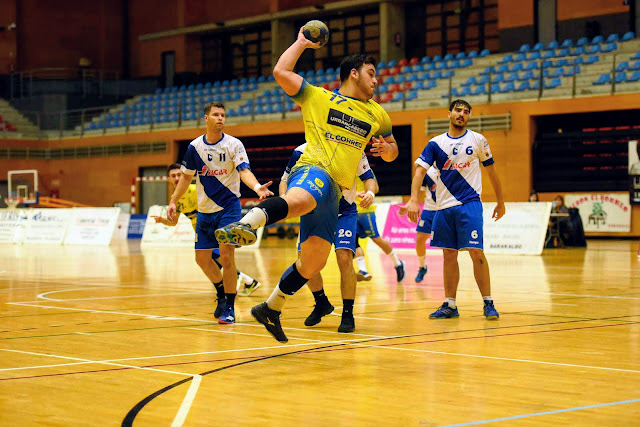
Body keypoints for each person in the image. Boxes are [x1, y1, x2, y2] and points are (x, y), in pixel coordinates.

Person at [216, 28, 399, 343]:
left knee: (314, 260)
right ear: (353, 74)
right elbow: (281, 71)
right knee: (300, 199)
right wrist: (301, 42)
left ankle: (271, 307)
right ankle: (246, 223)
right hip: (313, 168)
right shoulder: (319, 97)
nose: (375, 80)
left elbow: (394, 150)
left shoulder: (377, 113)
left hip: (338, 194)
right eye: (371, 74)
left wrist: (387, 151)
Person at [167, 101, 273, 325]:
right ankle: (221, 294)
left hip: (228, 208)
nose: (220, 118)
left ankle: (230, 307)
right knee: (202, 259)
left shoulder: (234, 145)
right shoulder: (195, 147)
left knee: (226, 257)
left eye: (223, 115)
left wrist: (256, 188)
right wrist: (173, 201)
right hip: (205, 212)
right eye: (216, 115)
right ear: (206, 118)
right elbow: (186, 177)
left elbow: (245, 171)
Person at [406, 99, 505, 320]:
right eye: (458, 110)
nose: (462, 114)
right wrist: (413, 199)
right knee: (448, 255)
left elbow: (492, 173)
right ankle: (450, 304)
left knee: (476, 252)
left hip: (469, 204)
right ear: (449, 113)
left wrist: (501, 201)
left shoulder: (477, 140)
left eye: (466, 112)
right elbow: (419, 173)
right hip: (442, 207)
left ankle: (488, 303)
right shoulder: (435, 143)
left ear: (469, 117)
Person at [280, 144, 377, 332]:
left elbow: (369, 179)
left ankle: (348, 313)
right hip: (314, 212)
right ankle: (321, 302)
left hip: (344, 211)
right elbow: (284, 180)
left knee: (344, 257)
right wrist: (286, 198)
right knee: (305, 261)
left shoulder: (352, 148)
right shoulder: (302, 151)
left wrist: (371, 193)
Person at [152, 163, 260, 297]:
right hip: (203, 234)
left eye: (179, 175)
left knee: (220, 258)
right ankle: (247, 282)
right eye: (173, 176)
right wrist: (162, 220)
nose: (177, 178)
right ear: (168, 178)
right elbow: (174, 222)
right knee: (213, 259)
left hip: (213, 230)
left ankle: (231, 289)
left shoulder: (196, 190)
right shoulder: (176, 198)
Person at [352, 169, 405, 283]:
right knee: (353, 241)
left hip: (365, 210)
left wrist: (367, 193)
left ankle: (397, 263)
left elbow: (376, 188)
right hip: (351, 211)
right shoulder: (344, 169)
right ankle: (363, 270)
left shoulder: (364, 168)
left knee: (376, 239)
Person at [398, 167, 439, 282]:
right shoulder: (428, 171)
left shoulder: (450, 167)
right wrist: (410, 206)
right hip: (429, 209)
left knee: (447, 245)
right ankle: (422, 267)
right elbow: (419, 193)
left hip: (444, 209)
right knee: (420, 239)